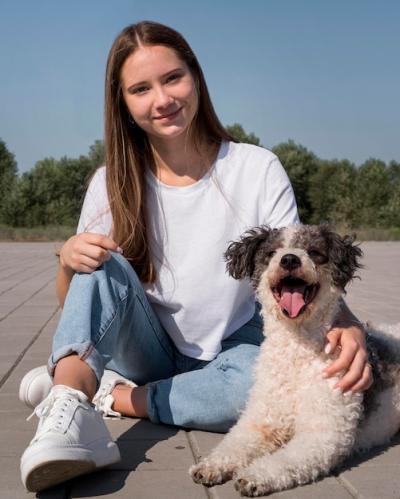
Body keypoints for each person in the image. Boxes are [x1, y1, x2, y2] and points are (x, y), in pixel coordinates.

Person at [19, 21, 372, 492]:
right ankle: (65, 412)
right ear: (122, 103)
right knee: (98, 263)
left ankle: (107, 396)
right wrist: (66, 261)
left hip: (237, 345)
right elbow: (84, 303)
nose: (162, 99)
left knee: (261, 394)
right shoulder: (111, 182)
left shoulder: (255, 167)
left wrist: (349, 324)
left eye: (172, 78)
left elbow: (300, 267)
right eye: (140, 89)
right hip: (145, 348)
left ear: (196, 78)